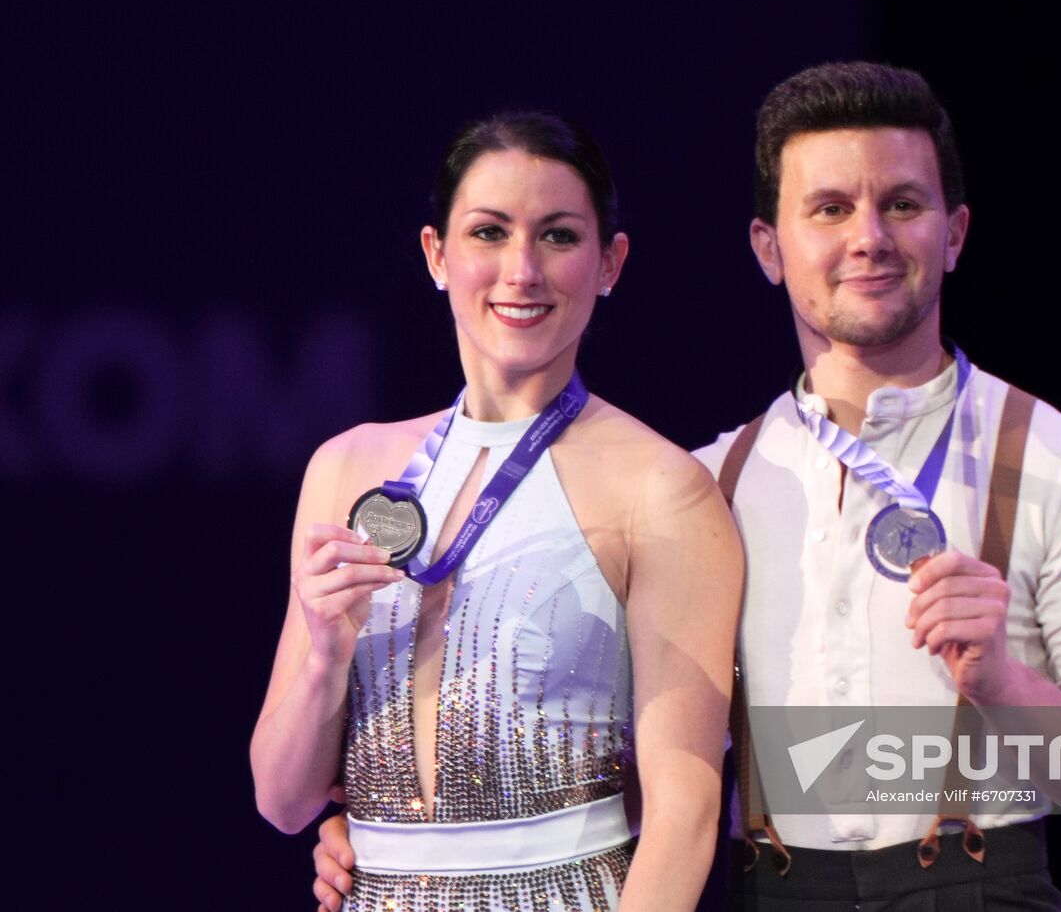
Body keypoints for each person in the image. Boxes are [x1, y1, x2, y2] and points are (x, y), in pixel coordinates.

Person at [311, 63, 1061, 910]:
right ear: (770, 247)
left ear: (954, 233)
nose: (868, 237)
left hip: (981, 883)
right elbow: (612, 758)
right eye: (830, 209)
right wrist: (393, 833)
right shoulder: (709, 480)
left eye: (903, 205)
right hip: (769, 889)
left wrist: (1004, 683)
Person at [251, 111, 742, 912]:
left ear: (610, 263)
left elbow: (684, 816)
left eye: (557, 236)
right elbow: (282, 798)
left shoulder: (664, 487)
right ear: (436, 254)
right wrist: (325, 658)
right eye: (488, 232)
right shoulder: (346, 466)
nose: (521, 270)